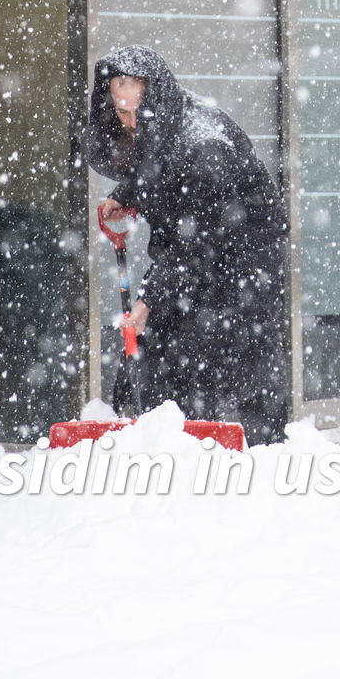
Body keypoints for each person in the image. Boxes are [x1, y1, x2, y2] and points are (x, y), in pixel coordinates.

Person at [87, 44, 289, 444]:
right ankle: (176, 448)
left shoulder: (204, 146)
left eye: (135, 113)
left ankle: (255, 465)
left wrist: (148, 301)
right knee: (169, 364)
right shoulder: (165, 123)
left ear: (155, 99)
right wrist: (126, 195)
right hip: (197, 263)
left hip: (241, 271)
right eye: (120, 112)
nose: (128, 124)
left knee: (232, 371)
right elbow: (161, 170)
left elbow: (198, 245)